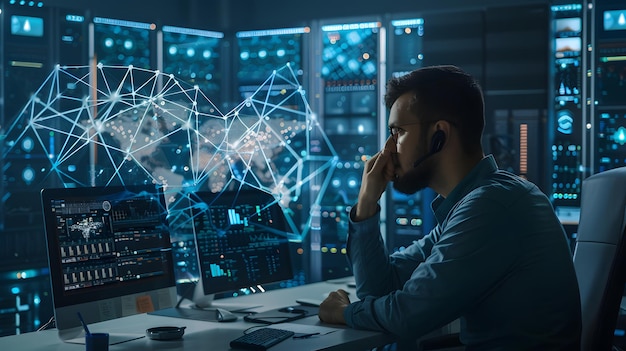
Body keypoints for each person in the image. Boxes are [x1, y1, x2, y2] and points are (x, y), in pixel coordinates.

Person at [318, 65, 582, 350]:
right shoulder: (472, 204)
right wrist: (367, 203)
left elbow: (407, 316)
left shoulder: (492, 207)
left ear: (439, 134)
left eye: (398, 132)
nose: (388, 150)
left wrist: (342, 313)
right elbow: (381, 289)